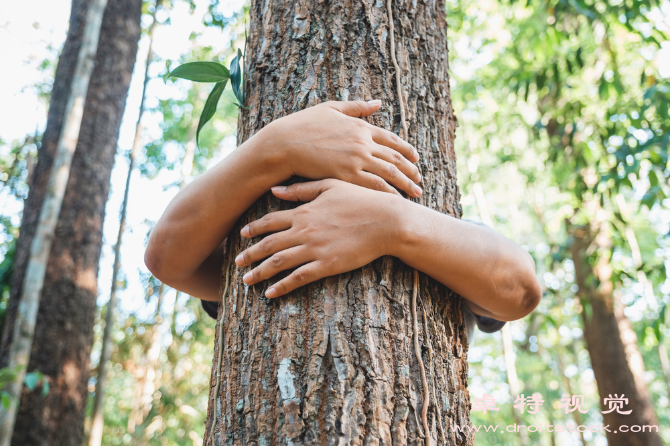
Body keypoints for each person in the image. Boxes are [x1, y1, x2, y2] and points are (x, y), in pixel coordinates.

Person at [144, 100, 542, 339]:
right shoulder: (243, 236)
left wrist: (390, 222)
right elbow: (166, 256)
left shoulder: (454, 243)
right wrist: (277, 146)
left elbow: (520, 290)